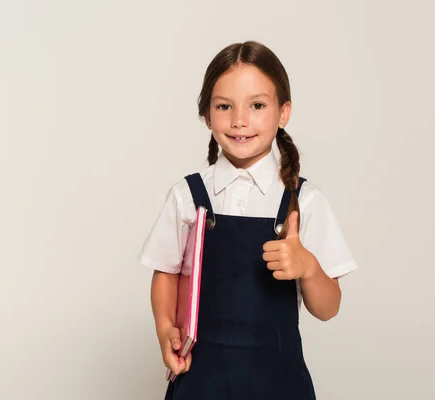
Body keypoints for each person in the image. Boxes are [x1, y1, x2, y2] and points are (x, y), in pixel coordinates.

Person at [137, 41, 358, 399]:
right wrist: (165, 327)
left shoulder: (303, 201)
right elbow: (166, 270)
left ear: (283, 113)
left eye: (257, 105)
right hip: (201, 379)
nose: (239, 120)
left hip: (278, 381)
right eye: (224, 106)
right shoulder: (187, 196)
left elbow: (328, 308)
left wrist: (309, 267)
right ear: (207, 115)